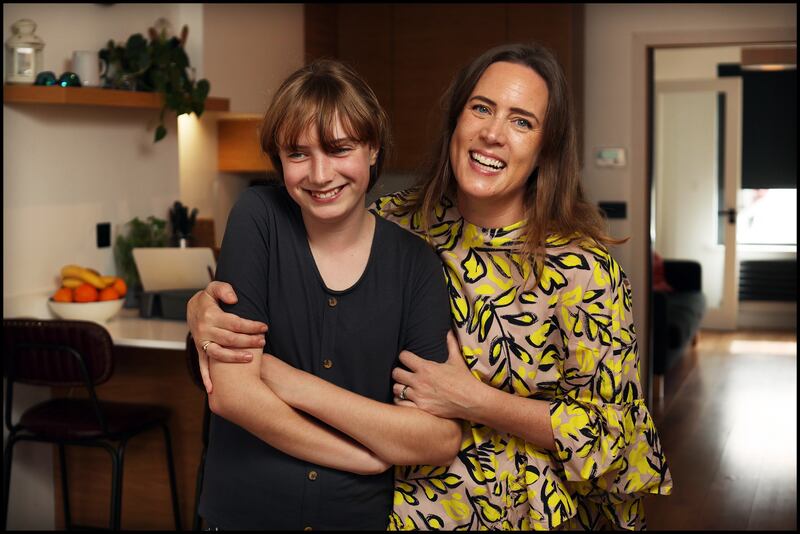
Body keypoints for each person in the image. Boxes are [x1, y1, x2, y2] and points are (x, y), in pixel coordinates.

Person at [190, 42, 673, 530]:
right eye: (481, 108)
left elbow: (619, 435)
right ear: (456, 121)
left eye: (521, 121)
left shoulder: (584, 271)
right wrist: (200, 314)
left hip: (521, 515)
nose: (492, 133)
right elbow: (300, 290)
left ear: (547, 147)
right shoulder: (398, 221)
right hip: (403, 514)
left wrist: (479, 402)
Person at [196, 58, 463, 530]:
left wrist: (285, 379)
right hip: (244, 513)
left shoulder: (415, 264)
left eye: (339, 149)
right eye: (298, 154)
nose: (320, 175)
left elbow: (436, 439)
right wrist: (360, 457)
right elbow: (232, 396)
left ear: (373, 149)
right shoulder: (258, 217)